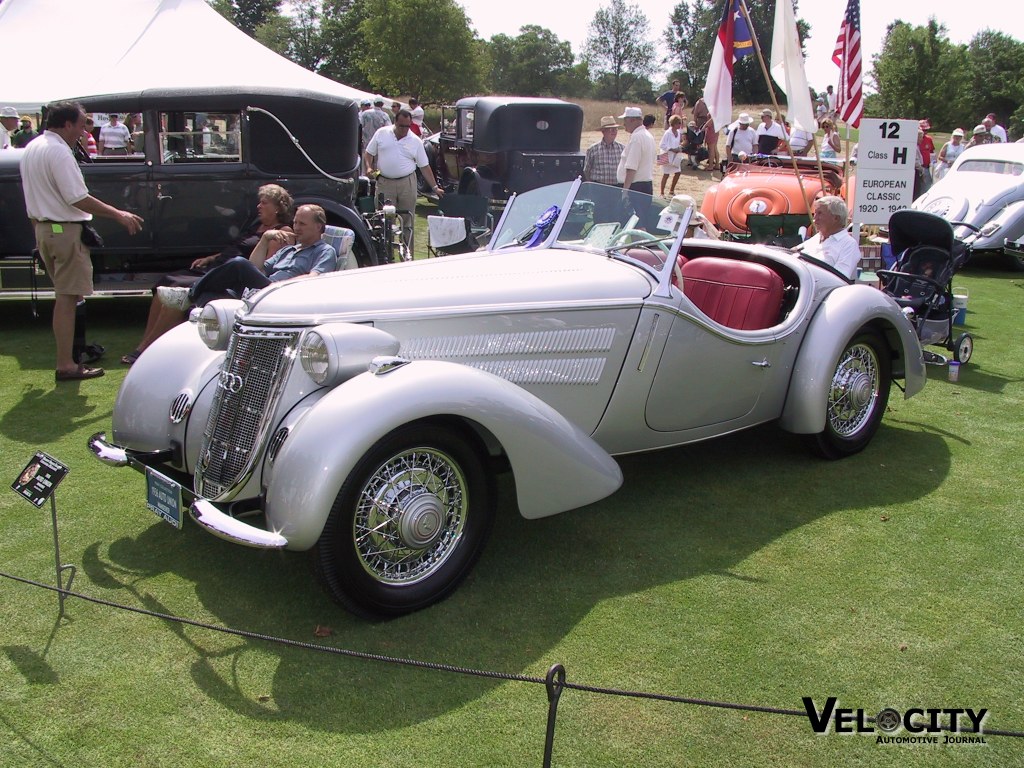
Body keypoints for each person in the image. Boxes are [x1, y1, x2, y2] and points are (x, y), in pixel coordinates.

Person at [20, 101, 143, 381]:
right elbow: (76, 197)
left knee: (69, 297)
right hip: (63, 231)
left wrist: (40, 234)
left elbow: (33, 198)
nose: (84, 130)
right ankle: (66, 364)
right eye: (81, 124)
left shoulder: (33, 147)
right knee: (67, 299)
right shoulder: (58, 152)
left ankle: (72, 357)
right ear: (67, 124)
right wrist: (119, 214)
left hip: (45, 230)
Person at [122, 184, 294, 364]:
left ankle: (144, 350)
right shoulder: (257, 225)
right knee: (166, 282)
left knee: (177, 287)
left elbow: (263, 267)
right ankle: (147, 342)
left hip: (229, 276)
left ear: (277, 208)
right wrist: (211, 258)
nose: (259, 206)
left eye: (264, 203)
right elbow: (237, 248)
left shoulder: (281, 232)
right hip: (217, 266)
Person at [157, 204, 335, 310]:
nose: (296, 227)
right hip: (259, 291)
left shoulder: (324, 251)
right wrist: (265, 239)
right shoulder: (289, 250)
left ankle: (189, 294)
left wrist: (280, 285)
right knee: (209, 296)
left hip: (279, 293)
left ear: (319, 227)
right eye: (295, 222)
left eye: (302, 224)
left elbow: (314, 278)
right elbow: (255, 267)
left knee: (238, 263)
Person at [363, 108, 444, 254]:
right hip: (385, 182)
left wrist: (434, 187)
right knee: (383, 220)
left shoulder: (415, 141)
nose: (405, 129)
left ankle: (407, 255)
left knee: (407, 221)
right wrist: (369, 167)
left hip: (407, 183)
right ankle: (384, 255)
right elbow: (369, 153)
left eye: (408, 126)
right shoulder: (382, 133)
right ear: (395, 122)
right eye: (402, 126)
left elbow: (424, 166)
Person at [616, 106, 656, 231]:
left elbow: (631, 167)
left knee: (636, 224)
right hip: (645, 185)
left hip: (635, 187)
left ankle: (640, 243)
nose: (624, 124)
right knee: (640, 222)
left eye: (625, 120)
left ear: (633, 120)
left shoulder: (637, 137)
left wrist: (625, 191)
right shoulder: (648, 135)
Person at [800, 196, 859, 279]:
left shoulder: (849, 244)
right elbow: (794, 252)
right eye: (815, 213)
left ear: (836, 218)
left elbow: (839, 278)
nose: (815, 218)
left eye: (820, 213)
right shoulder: (818, 237)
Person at [583, 116, 624, 185]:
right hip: (598, 187)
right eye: (611, 129)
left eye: (616, 129)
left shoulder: (622, 148)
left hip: (617, 187)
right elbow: (587, 170)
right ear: (603, 131)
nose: (614, 132)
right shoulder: (593, 149)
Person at [659, 115, 685, 197]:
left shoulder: (678, 132)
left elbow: (680, 142)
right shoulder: (667, 133)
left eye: (680, 123)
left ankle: (671, 191)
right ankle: (662, 193)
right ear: (673, 124)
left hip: (675, 157)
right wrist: (671, 149)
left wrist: (680, 147)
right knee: (666, 174)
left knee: (678, 173)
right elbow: (661, 145)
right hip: (667, 156)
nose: (680, 125)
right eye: (678, 123)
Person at [917, 119, 935, 194]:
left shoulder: (929, 139)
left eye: (927, 130)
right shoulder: (915, 139)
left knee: (927, 187)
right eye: (924, 130)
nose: (925, 132)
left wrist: (933, 162)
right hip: (918, 167)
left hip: (926, 167)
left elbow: (931, 151)